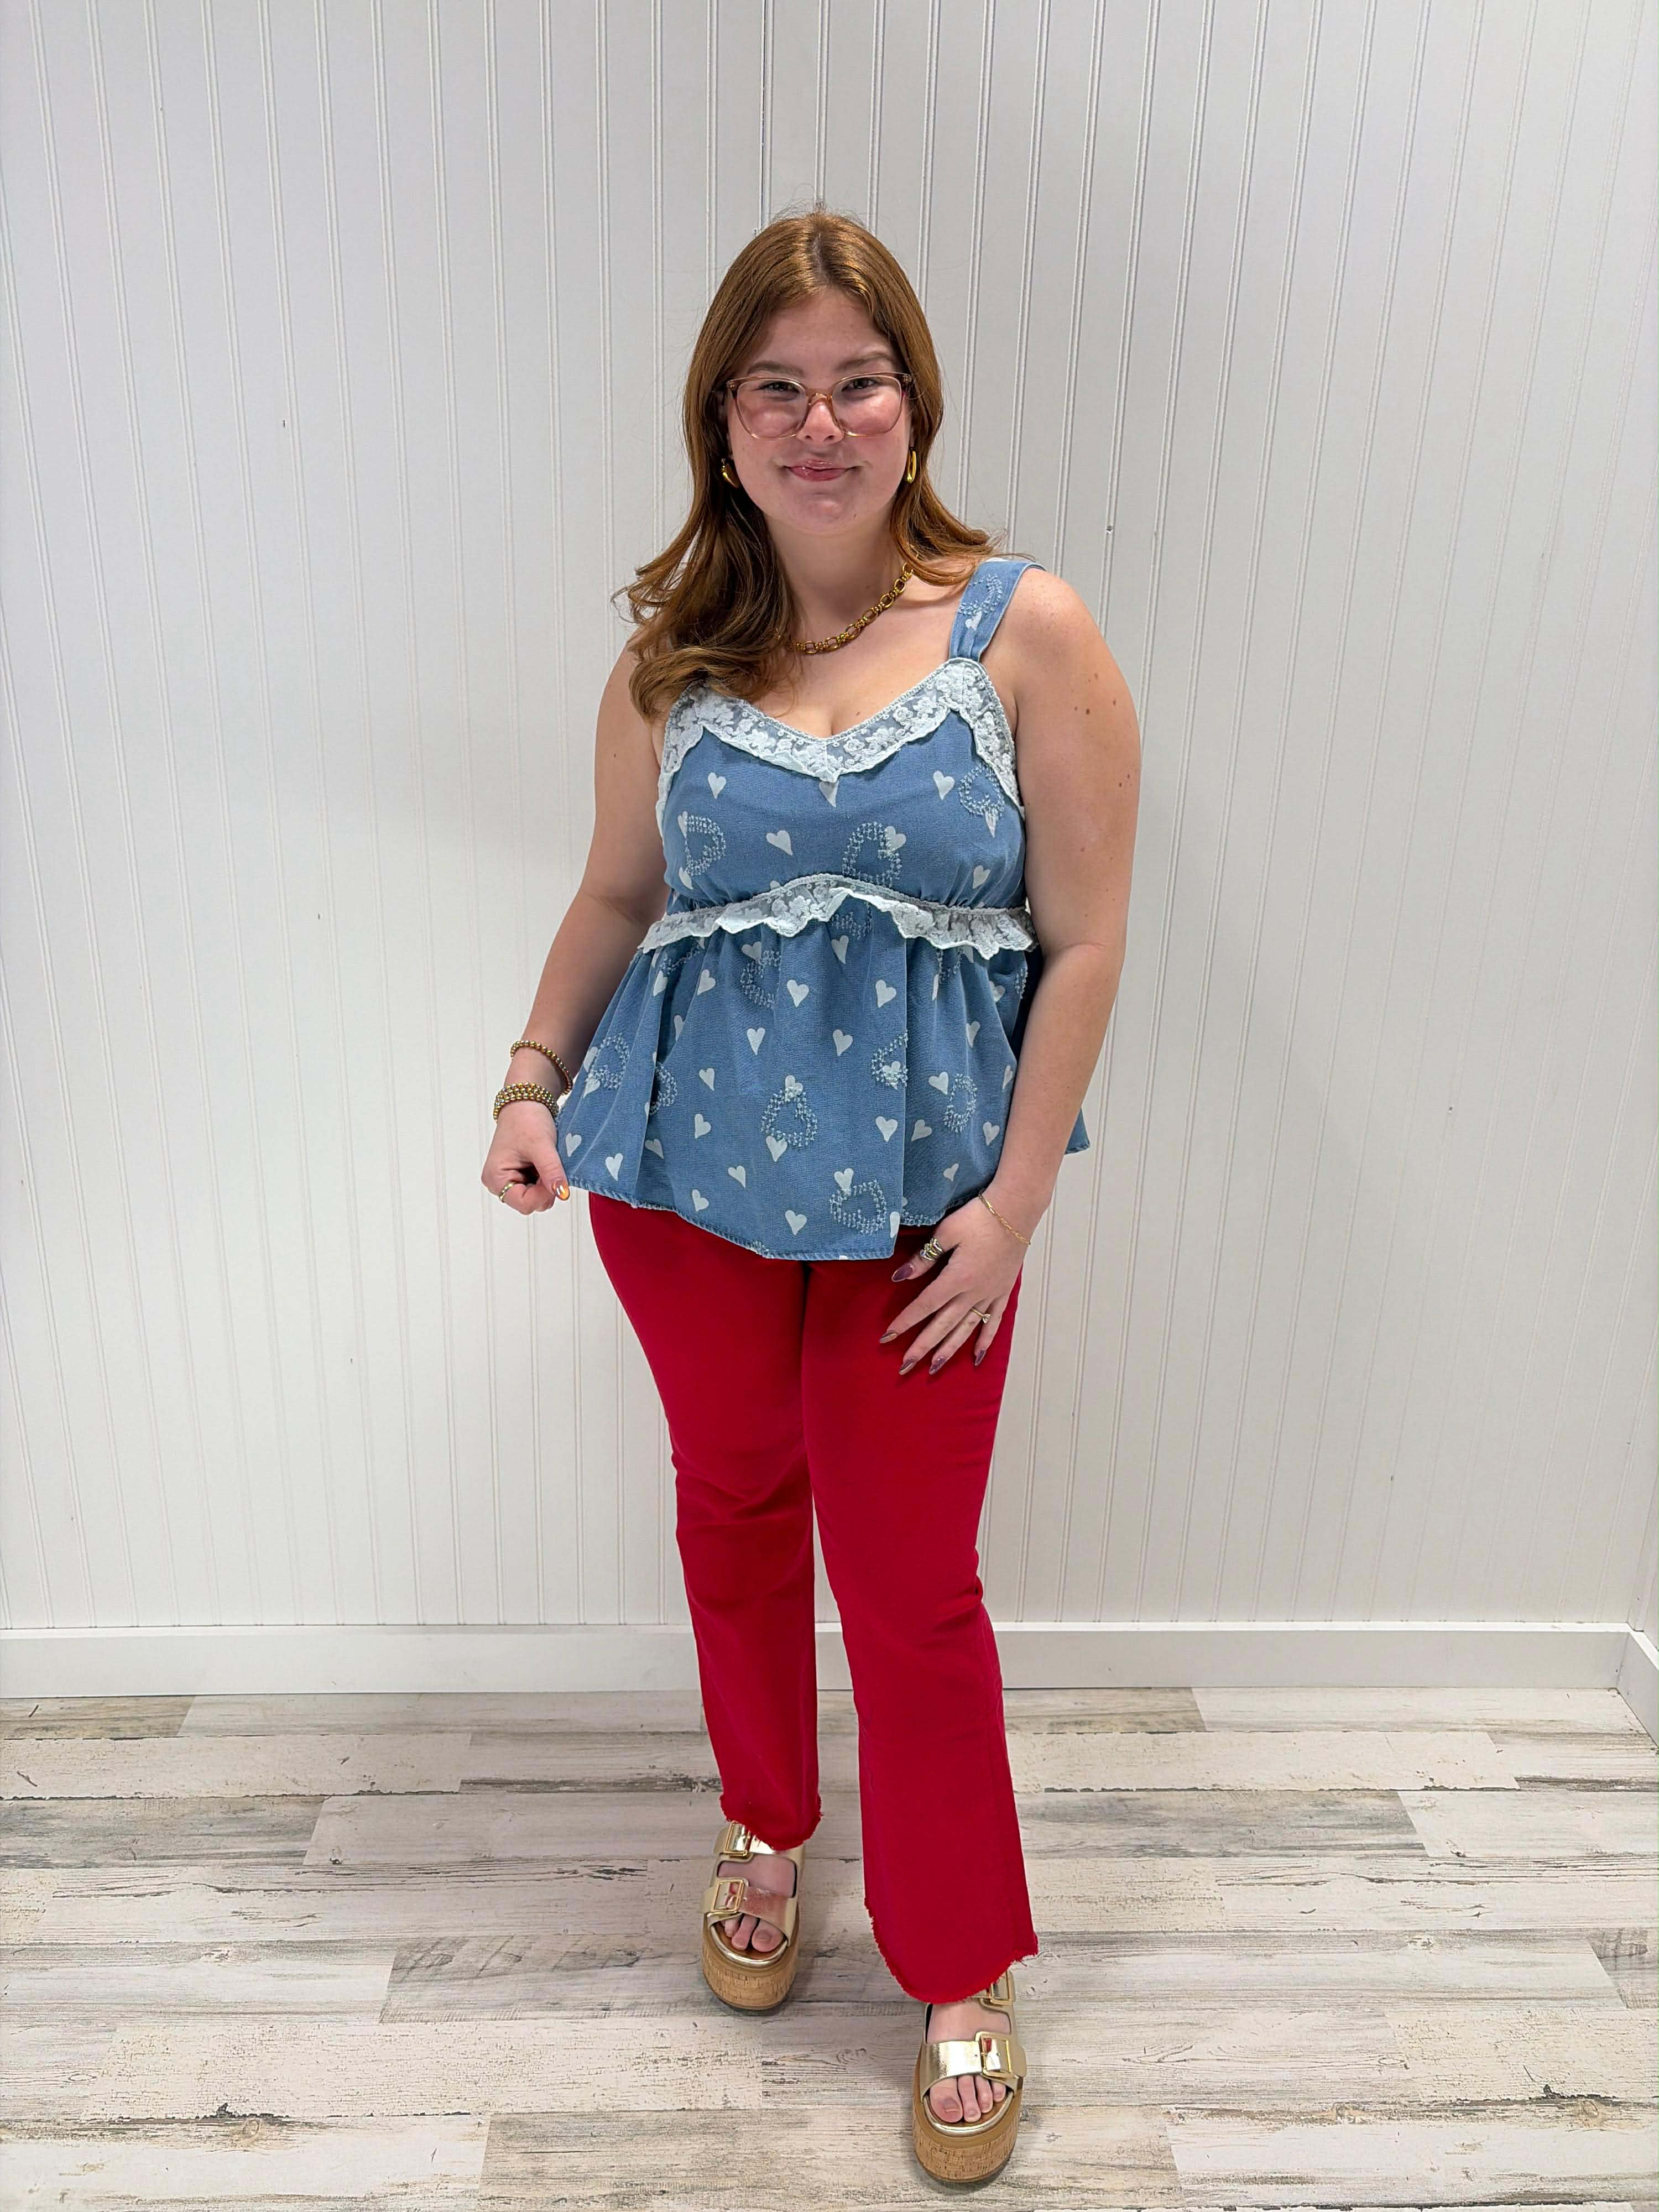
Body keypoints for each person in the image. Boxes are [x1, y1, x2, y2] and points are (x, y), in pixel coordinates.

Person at [479, 207, 1139, 2185]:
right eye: (775, 387)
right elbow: (617, 894)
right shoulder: (667, 658)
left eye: (857, 382)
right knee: (738, 1505)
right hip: (680, 1185)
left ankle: (957, 1964)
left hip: (930, 1218)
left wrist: (1014, 1211)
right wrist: (532, 1077)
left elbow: (1086, 941)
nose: (818, 421)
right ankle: (764, 1823)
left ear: (914, 403)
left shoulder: (1024, 631)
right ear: (724, 419)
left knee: (913, 1584)